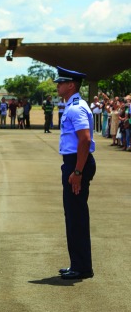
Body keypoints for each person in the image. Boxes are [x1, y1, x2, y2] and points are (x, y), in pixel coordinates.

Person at [55, 66, 96, 280]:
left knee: (76, 216)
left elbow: (85, 140)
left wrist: (77, 171)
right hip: (74, 162)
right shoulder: (72, 105)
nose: (57, 85)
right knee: (73, 215)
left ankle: (82, 267)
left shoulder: (75, 108)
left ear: (71, 85)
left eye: (60, 82)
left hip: (77, 163)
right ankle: (78, 263)